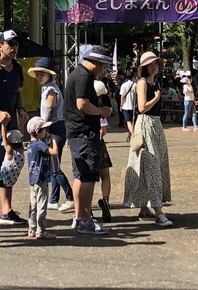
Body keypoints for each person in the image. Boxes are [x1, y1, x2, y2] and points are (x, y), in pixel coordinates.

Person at [65, 46, 114, 235]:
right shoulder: (84, 76)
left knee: (80, 176)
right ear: (96, 62)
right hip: (84, 133)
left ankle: (79, 216)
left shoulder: (77, 74)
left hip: (77, 132)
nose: (103, 70)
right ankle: (85, 220)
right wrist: (102, 111)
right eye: (104, 66)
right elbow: (82, 104)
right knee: (87, 177)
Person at [123, 50, 172, 226]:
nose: (154, 67)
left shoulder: (155, 82)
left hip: (155, 124)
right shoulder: (142, 83)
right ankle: (159, 212)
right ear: (143, 67)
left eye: (156, 63)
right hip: (146, 124)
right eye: (150, 64)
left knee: (152, 165)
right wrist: (156, 98)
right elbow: (142, 108)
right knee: (152, 166)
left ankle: (144, 209)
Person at [0, 30, 28, 227]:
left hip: (10, 125)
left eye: (16, 44)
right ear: (0, 46)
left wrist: (21, 109)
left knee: (9, 166)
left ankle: (6, 210)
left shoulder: (18, 68)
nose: (14, 47)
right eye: (10, 44)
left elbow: (18, 92)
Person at [30, 57, 73, 212]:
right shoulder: (48, 88)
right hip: (52, 127)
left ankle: (70, 197)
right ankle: (54, 199)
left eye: (42, 73)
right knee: (53, 165)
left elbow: (49, 111)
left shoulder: (50, 90)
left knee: (54, 166)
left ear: (49, 74)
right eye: (37, 74)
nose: (39, 76)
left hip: (54, 127)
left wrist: (42, 129)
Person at [25, 116, 59, 239]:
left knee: (33, 205)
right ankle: (41, 230)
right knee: (41, 205)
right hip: (41, 179)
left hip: (33, 179)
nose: (46, 132)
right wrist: (53, 140)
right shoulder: (40, 144)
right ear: (38, 131)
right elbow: (54, 152)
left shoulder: (30, 145)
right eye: (44, 129)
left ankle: (32, 229)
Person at [119, 71, 137, 139]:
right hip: (134, 106)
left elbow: (122, 96)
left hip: (126, 106)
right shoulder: (135, 85)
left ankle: (133, 135)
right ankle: (129, 136)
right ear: (132, 77)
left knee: (128, 122)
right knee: (132, 122)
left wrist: (121, 105)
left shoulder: (124, 85)